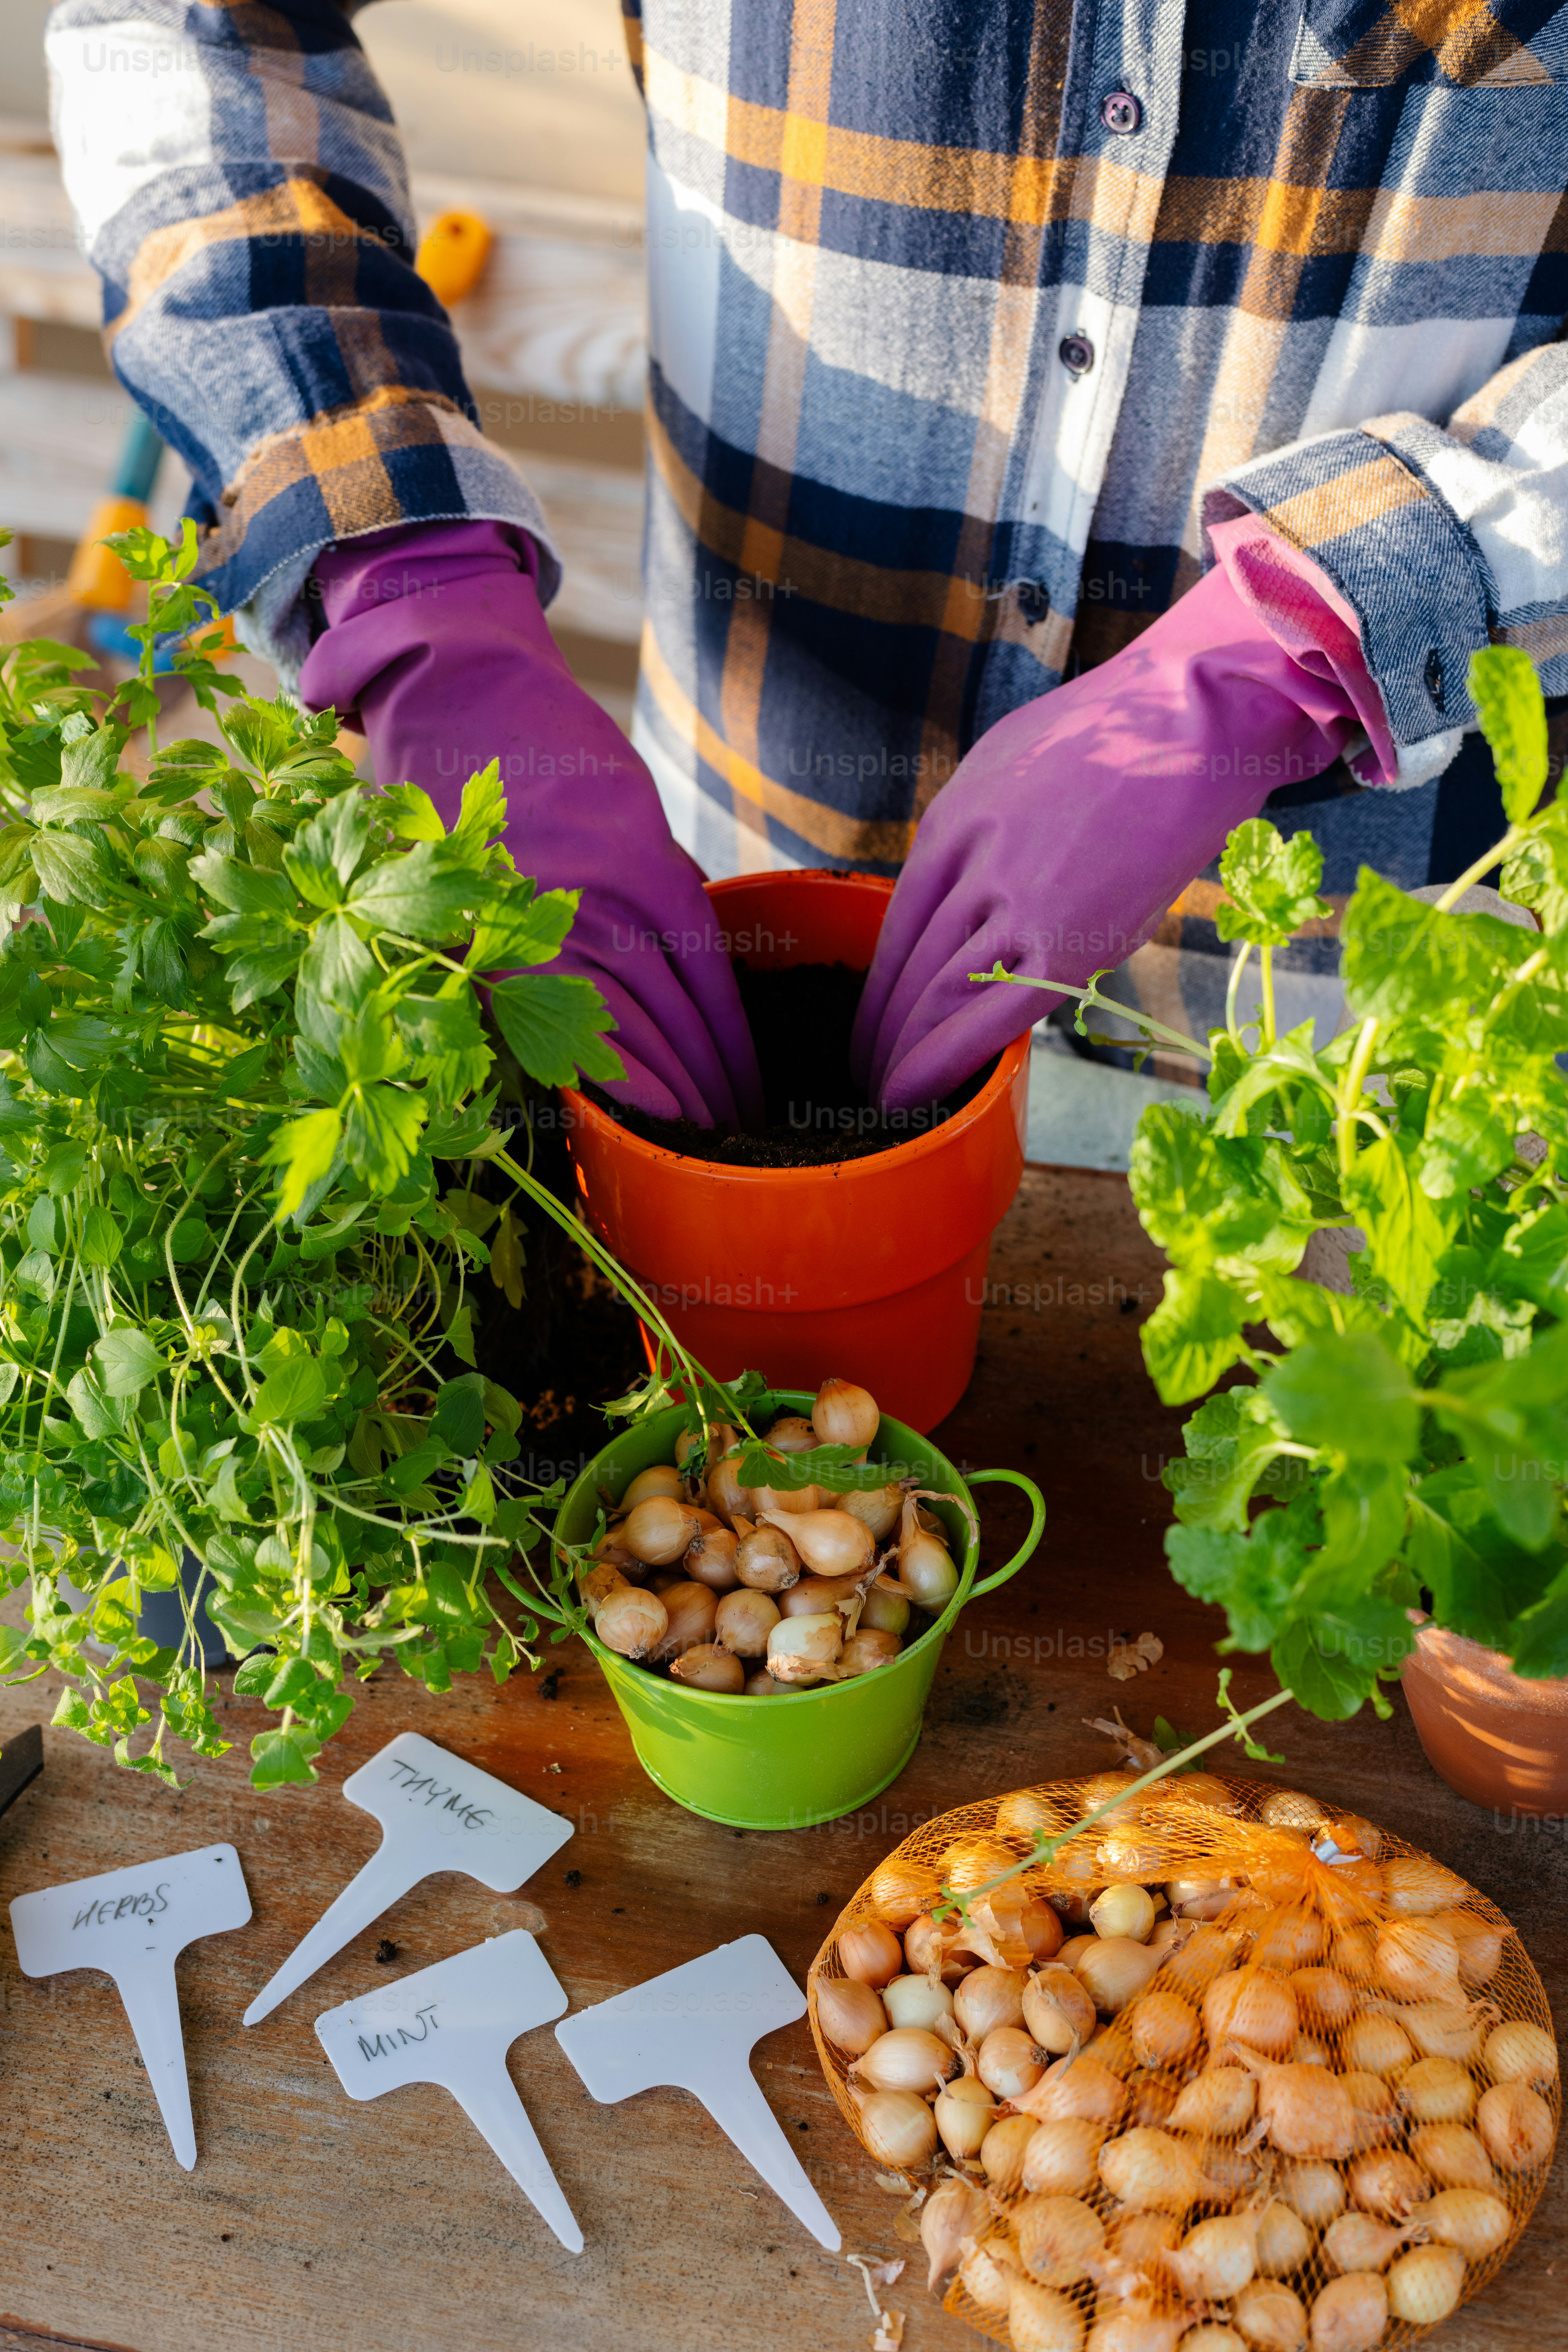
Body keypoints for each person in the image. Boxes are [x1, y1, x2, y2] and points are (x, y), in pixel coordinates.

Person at [44, 0, 1568, 1122]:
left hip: (1368, 1045)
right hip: (720, 890)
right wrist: (403, 587)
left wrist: (1309, 634)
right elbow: (178, 27)